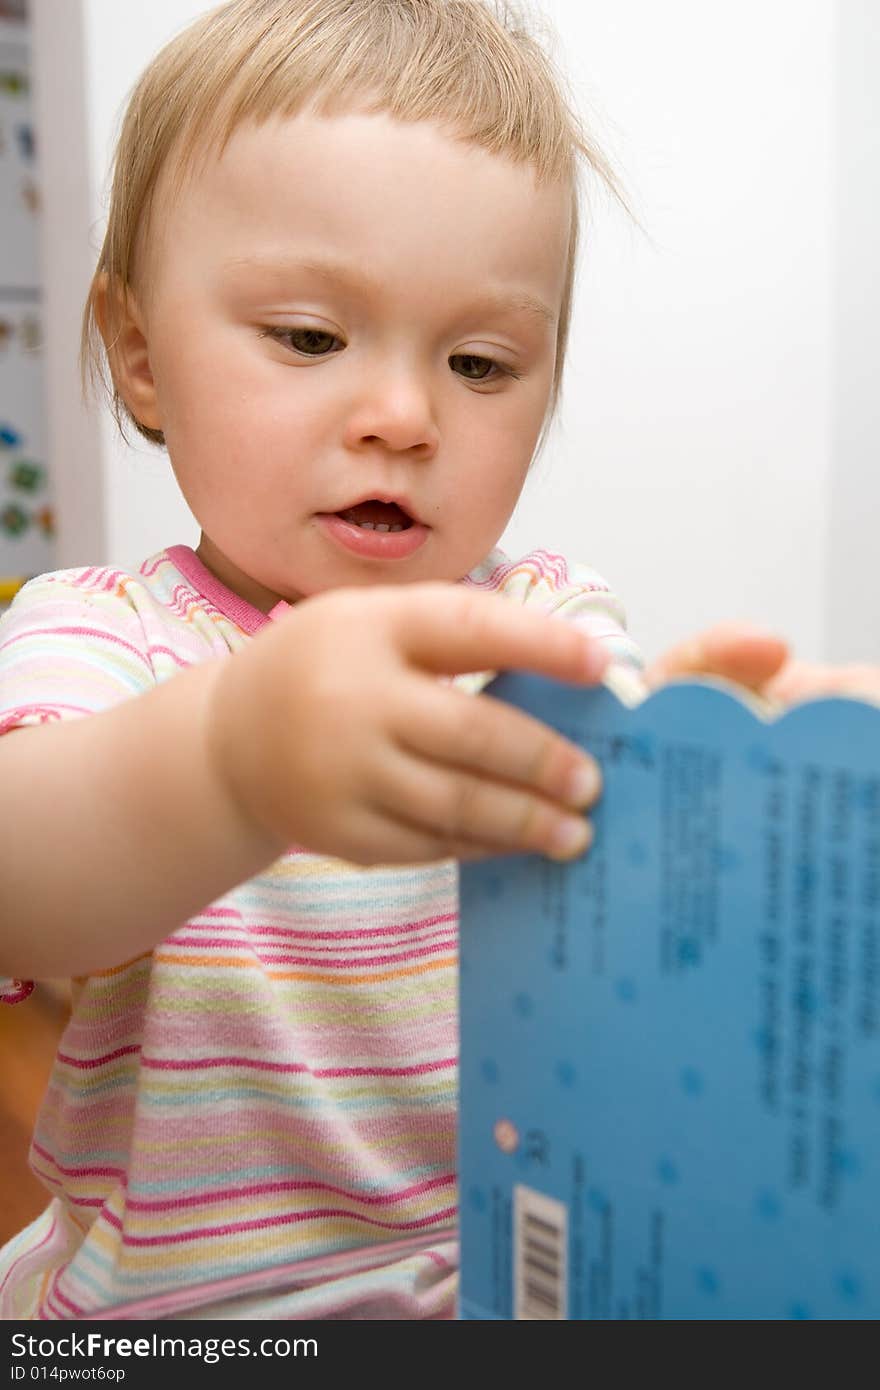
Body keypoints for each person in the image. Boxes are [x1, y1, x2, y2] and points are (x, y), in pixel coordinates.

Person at [0, 0, 651, 1320]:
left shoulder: (544, 626)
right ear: (140, 355)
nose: (403, 416)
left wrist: (777, 771)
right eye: (308, 337)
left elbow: (641, 894)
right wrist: (235, 761)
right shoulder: (104, 637)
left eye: (480, 361)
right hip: (178, 1314)